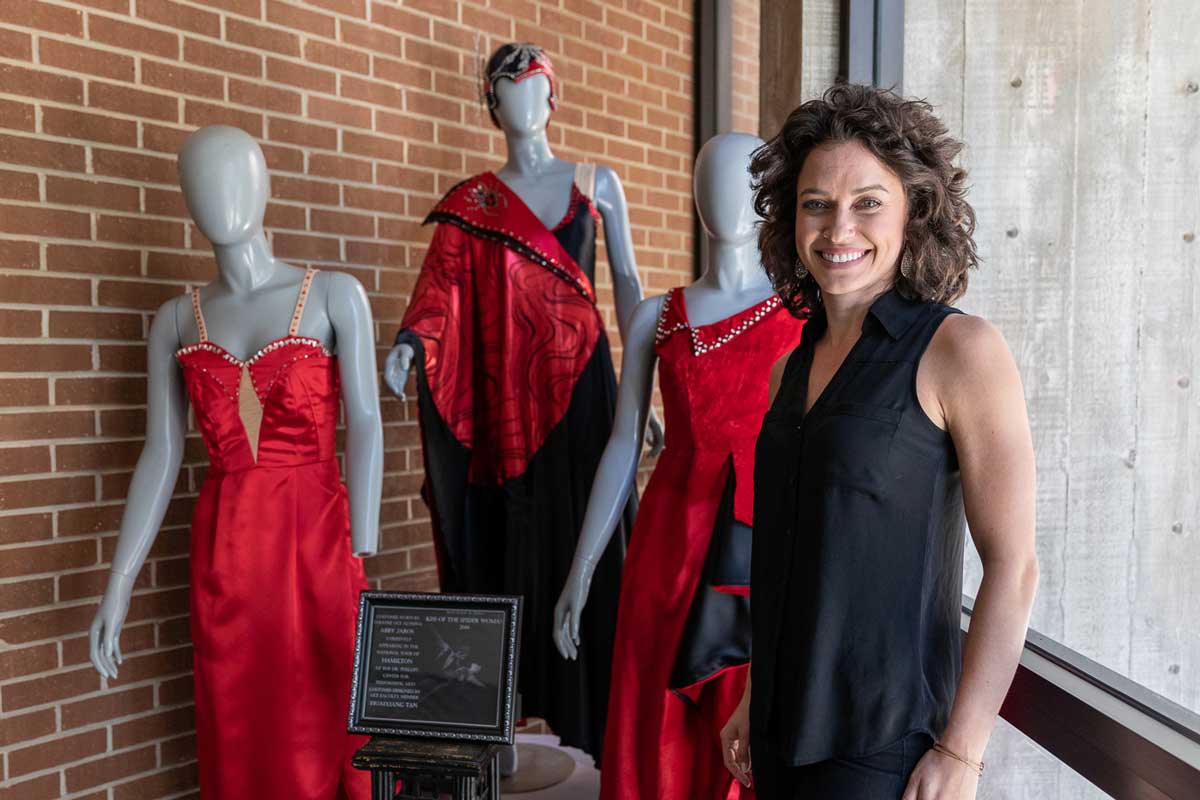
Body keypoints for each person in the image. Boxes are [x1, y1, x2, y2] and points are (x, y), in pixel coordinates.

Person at [720, 84, 1040, 800]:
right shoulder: (785, 371)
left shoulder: (961, 351)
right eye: (816, 204)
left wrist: (964, 748)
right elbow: (789, 555)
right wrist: (751, 691)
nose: (839, 229)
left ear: (912, 212)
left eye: (868, 201)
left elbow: (1014, 568)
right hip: (775, 731)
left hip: (882, 745)